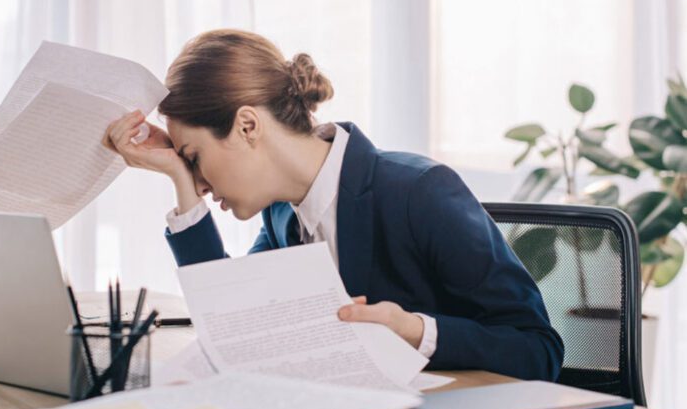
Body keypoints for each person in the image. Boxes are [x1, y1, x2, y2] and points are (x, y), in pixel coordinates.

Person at [104, 29, 564, 380]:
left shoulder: (420, 192)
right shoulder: (283, 211)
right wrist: (178, 176)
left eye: (195, 159)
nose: (201, 183)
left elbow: (538, 348)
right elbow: (233, 322)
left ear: (247, 126)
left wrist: (414, 330)